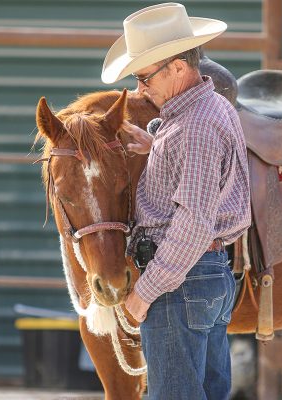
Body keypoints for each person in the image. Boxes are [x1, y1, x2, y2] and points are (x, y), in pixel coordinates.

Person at [101, 3, 251, 399]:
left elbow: (193, 223)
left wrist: (144, 293)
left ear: (178, 68)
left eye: (144, 77)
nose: (139, 90)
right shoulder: (211, 105)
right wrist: (158, 149)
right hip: (206, 276)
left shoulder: (195, 125)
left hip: (179, 283)